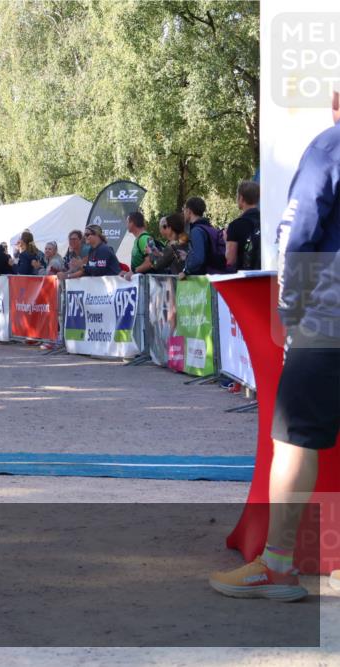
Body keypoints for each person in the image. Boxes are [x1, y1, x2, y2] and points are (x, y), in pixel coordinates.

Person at [209, 92, 340, 602]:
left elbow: (299, 229)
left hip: (328, 317)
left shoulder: (330, 145)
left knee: (293, 440)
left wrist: (287, 310)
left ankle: (278, 567)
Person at [181, 196, 227, 277]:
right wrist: (188, 256)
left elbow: (199, 259)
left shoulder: (196, 231)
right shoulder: (209, 227)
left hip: (204, 279)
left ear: (189, 211)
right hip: (214, 274)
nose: (183, 212)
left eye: (184, 209)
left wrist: (186, 270)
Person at [226, 180, 261, 272]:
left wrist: (226, 241)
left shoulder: (235, 225)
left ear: (241, 198)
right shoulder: (266, 222)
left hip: (246, 278)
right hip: (267, 276)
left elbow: (230, 260)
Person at [125, 211, 160, 275]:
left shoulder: (144, 239)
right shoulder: (138, 239)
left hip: (148, 282)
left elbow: (150, 262)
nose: (126, 225)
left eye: (127, 222)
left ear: (132, 223)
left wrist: (134, 272)